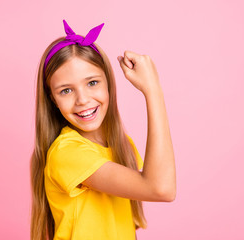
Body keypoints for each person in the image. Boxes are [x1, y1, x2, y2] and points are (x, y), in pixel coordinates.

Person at [30, 19, 176, 240]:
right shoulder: (67, 153)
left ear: (108, 82)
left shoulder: (121, 145)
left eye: (92, 83)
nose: (82, 100)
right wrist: (153, 90)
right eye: (66, 90)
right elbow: (161, 188)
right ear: (53, 99)